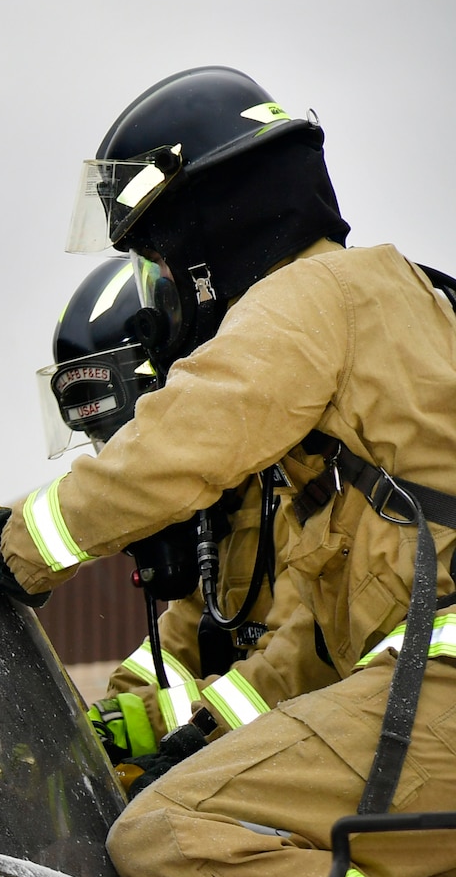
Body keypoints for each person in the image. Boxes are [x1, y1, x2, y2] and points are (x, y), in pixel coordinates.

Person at [0, 65, 456, 877]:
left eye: (159, 253)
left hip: (443, 692)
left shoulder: (309, 299)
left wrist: (12, 548)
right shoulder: (401, 297)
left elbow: (179, 445)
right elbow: (315, 627)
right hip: (420, 683)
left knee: (174, 833)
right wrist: (191, 730)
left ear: (205, 221)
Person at [41, 257, 330, 766]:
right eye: (102, 443)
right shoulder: (220, 520)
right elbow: (175, 647)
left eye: (132, 439)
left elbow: (297, 672)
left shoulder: (300, 498)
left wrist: (144, 723)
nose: (123, 462)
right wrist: (94, 725)